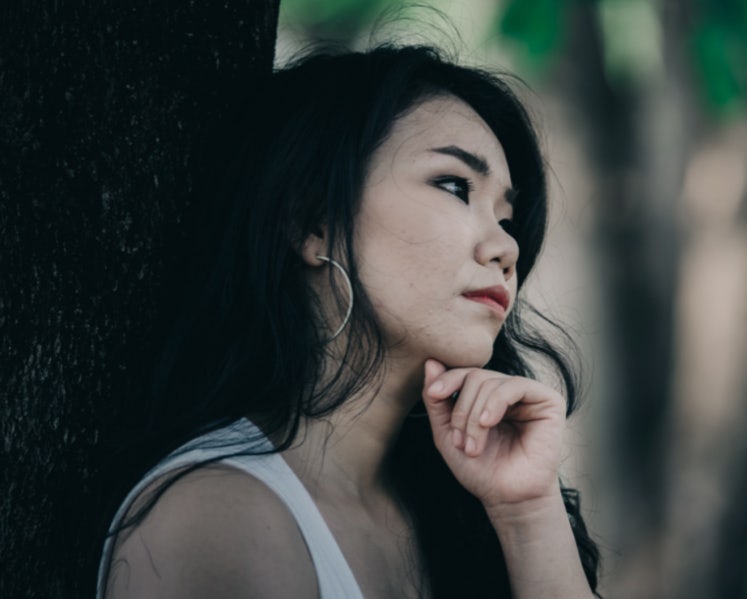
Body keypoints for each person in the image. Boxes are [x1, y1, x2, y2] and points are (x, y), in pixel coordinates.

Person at [97, 45, 601, 599]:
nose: (507, 246)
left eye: (506, 218)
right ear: (315, 222)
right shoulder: (219, 517)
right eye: (455, 186)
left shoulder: (458, 514)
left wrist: (528, 512)